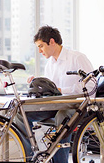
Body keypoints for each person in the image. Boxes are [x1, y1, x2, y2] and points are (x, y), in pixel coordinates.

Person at [16, 25, 94, 163]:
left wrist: (62, 90)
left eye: (41, 46)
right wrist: (39, 85)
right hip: (57, 105)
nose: (39, 51)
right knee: (21, 114)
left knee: (62, 116)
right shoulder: (50, 64)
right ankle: (28, 157)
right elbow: (51, 91)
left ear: (52, 42)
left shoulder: (77, 58)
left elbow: (91, 86)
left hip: (77, 107)